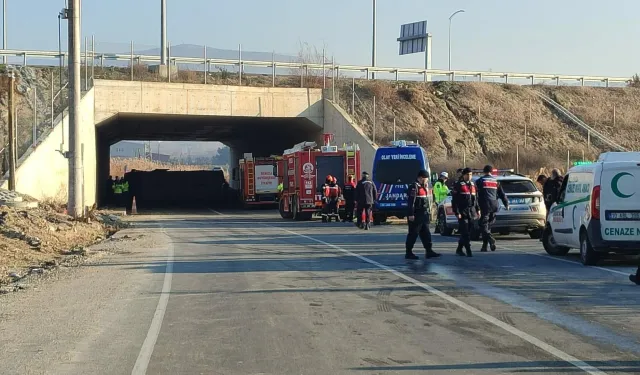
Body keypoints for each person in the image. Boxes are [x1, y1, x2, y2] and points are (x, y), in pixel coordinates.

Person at [405, 169, 441, 260]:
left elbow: (429, 201)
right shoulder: (414, 187)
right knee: (413, 234)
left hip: (424, 214)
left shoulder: (425, 187)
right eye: (426, 178)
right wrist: (411, 214)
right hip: (416, 214)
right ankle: (408, 252)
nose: (427, 180)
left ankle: (429, 251)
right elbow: (411, 202)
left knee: (426, 234)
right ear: (420, 178)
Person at [476, 165, 509, 252]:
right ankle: (485, 246)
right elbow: (502, 194)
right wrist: (506, 204)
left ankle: (490, 238)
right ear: (491, 171)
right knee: (488, 225)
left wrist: (476, 207)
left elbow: (476, 195)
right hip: (494, 204)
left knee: (483, 224)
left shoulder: (480, 181)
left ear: (484, 171)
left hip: (485, 205)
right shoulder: (496, 181)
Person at [451, 167, 480, 257]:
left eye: (471, 174)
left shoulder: (473, 185)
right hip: (462, 211)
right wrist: (457, 212)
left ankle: (459, 249)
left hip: (471, 212)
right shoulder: (458, 185)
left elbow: (476, 199)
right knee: (465, 232)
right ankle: (468, 250)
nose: (469, 176)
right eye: (467, 174)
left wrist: (478, 209)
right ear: (463, 175)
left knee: (470, 231)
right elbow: (454, 201)